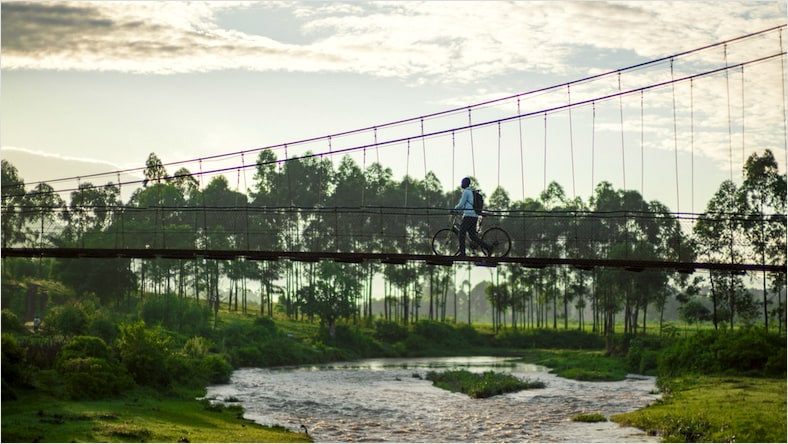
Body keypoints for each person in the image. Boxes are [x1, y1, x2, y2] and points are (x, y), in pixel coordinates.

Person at [453, 177, 491, 257]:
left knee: (461, 233)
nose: (461, 184)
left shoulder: (466, 192)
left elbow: (461, 204)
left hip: (468, 216)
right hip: (474, 216)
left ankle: (463, 253)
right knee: (472, 236)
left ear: (465, 184)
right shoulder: (472, 192)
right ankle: (488, 247)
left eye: (462, 183)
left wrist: (454, 210)